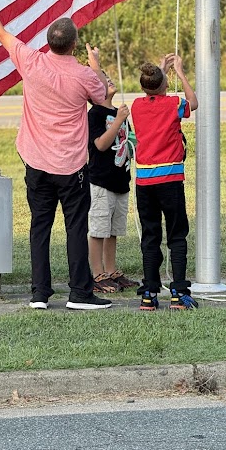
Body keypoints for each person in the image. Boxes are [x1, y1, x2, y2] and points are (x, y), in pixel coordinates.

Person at [0, 0, 112, 311]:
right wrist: (96, 65)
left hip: (36, 161)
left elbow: (0, 33)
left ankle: (39, 293)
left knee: (39, 226)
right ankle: (80, 293)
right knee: (75, 228)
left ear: (49, 43)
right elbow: (102, 98)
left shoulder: (31, 61)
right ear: (73, 45)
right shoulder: (83, 74)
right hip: (71, 165)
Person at [130, 53, 199, 311]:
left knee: (150, 236)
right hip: (169, 180)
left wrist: (160, 72)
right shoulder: (173, 105)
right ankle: (179, 293)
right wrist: (180, 72)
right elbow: (194, 103)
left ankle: (149, 293)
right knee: (176, 235)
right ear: (166, 84)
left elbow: (153, 89)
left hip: (144, 182)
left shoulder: (137, 106)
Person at [87, 73, 139, 294]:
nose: (109, 80)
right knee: (99, 229)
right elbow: (100, 144)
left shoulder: (118, 112)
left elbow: (127, 142)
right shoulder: (96, 114)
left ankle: (111, 270)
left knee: (112, 230)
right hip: (101, 181)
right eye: (102, 79)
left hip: (120, 180)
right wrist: (118, 120)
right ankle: (97, 274)